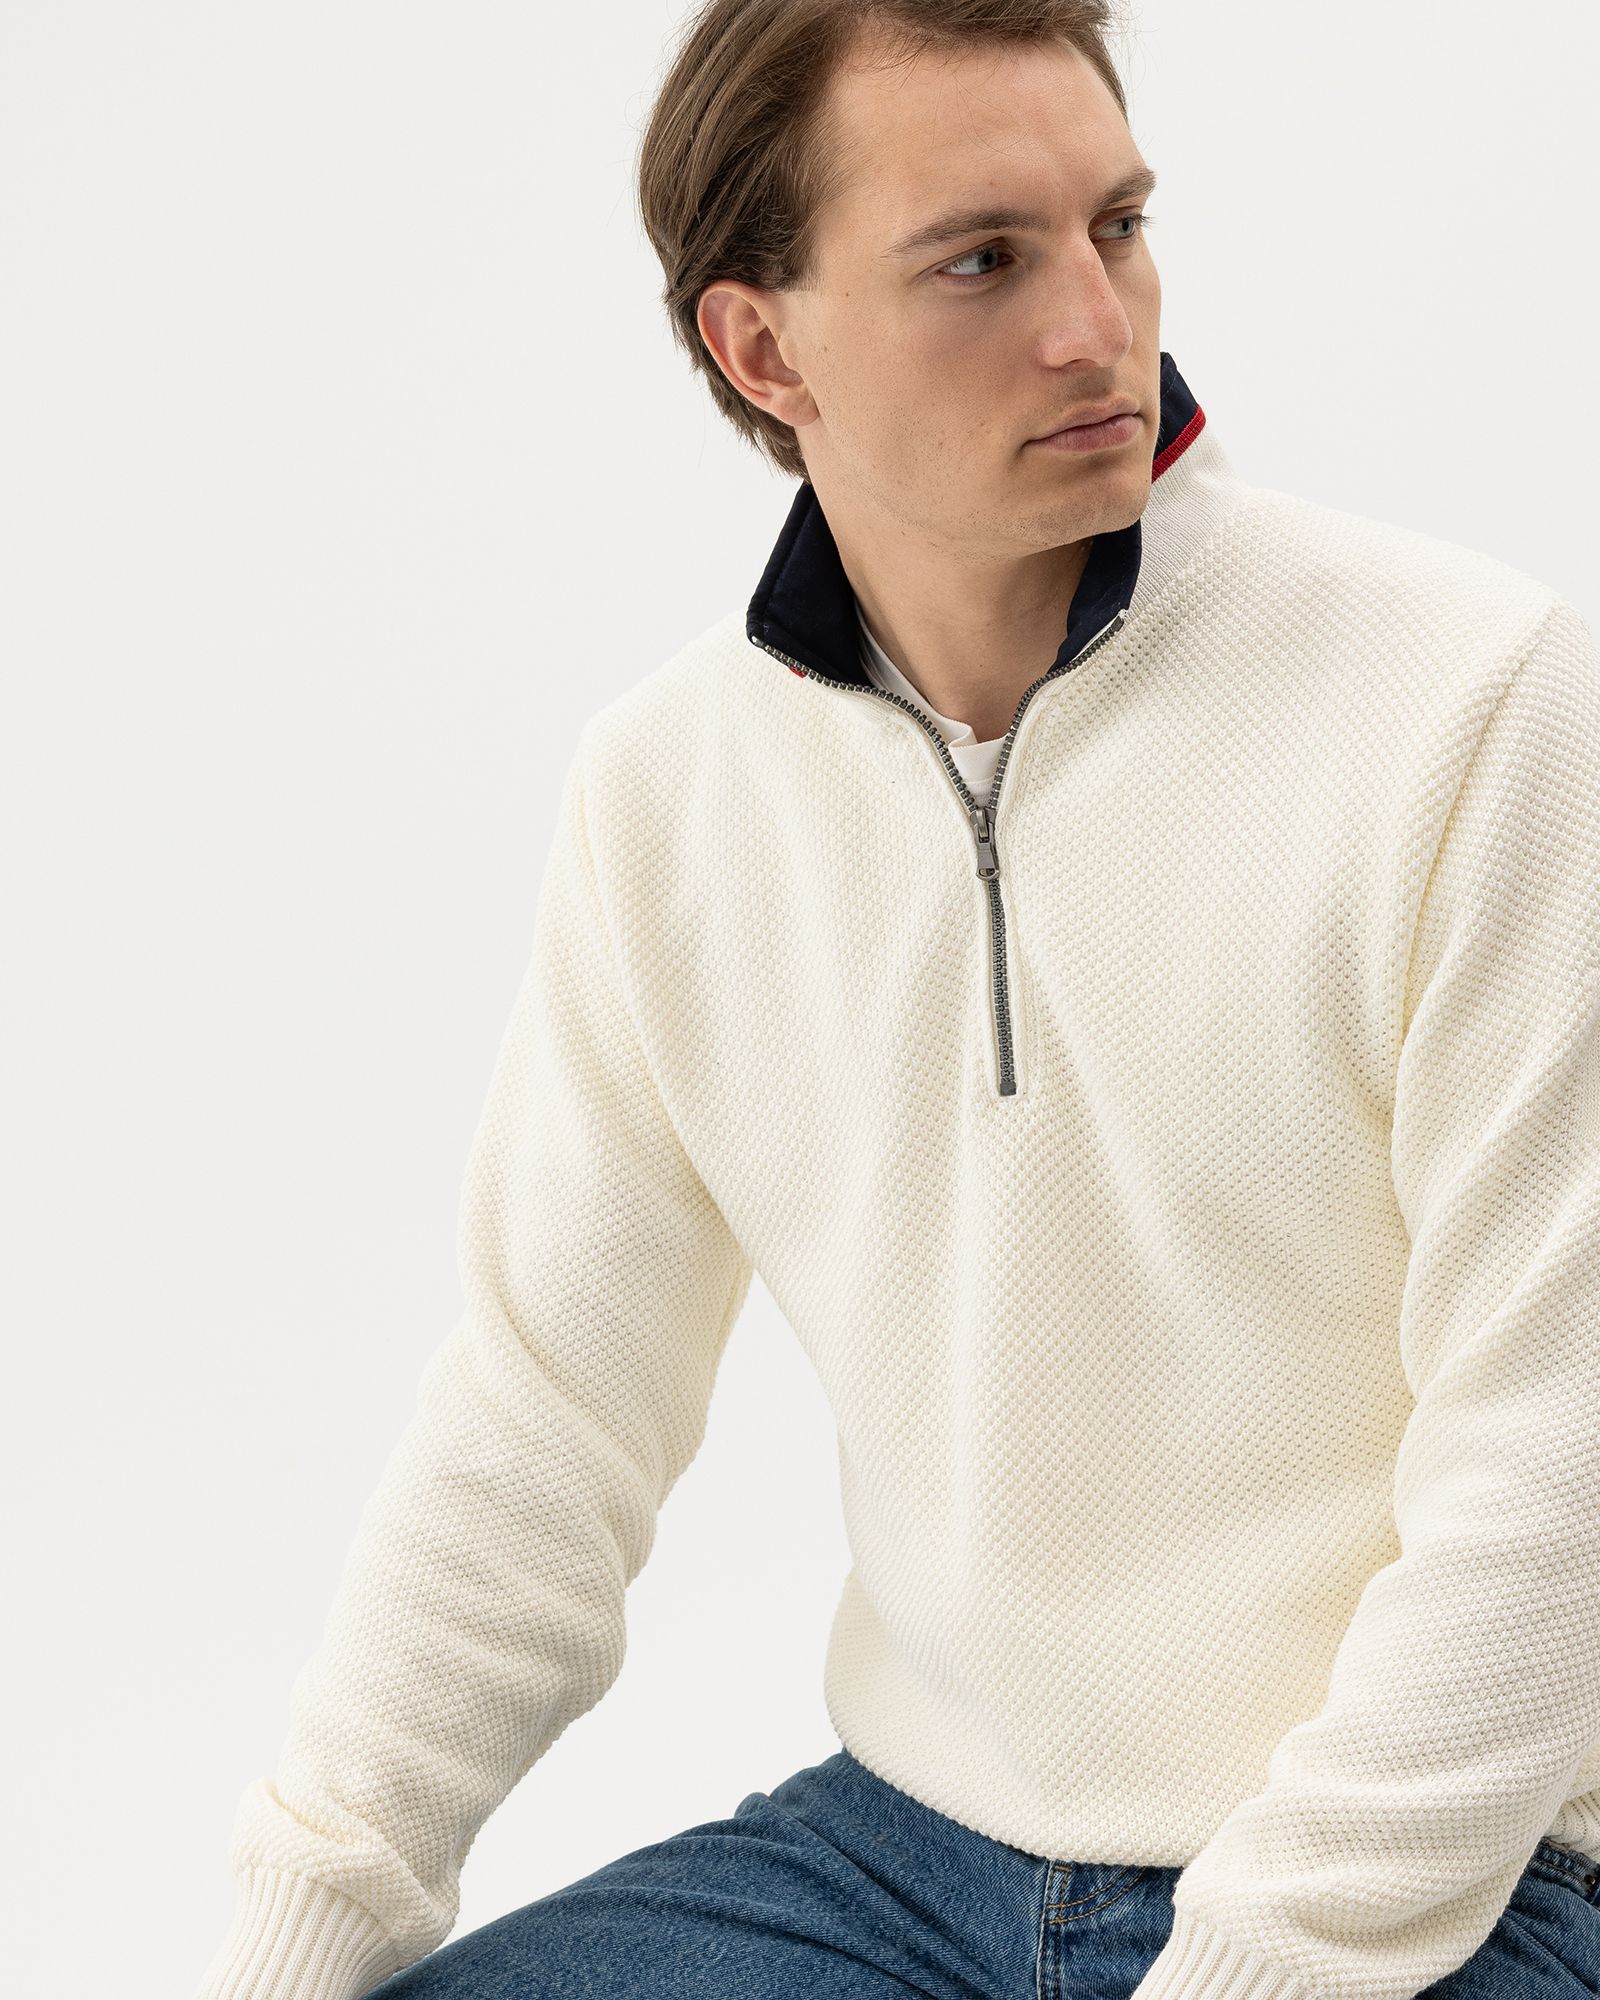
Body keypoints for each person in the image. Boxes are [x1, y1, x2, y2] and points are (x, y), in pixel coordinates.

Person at [193, 2, 1600, 1997]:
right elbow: (538, 1428)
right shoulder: (669, 793)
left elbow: (1555, 1460)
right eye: (981, 260)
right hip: (897, 1863)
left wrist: (1258, 1966)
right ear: (761, 347)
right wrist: (300, 1931)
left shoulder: (1468, 702)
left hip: (1442, 1879)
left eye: (1116, 227)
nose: (1094, 326)